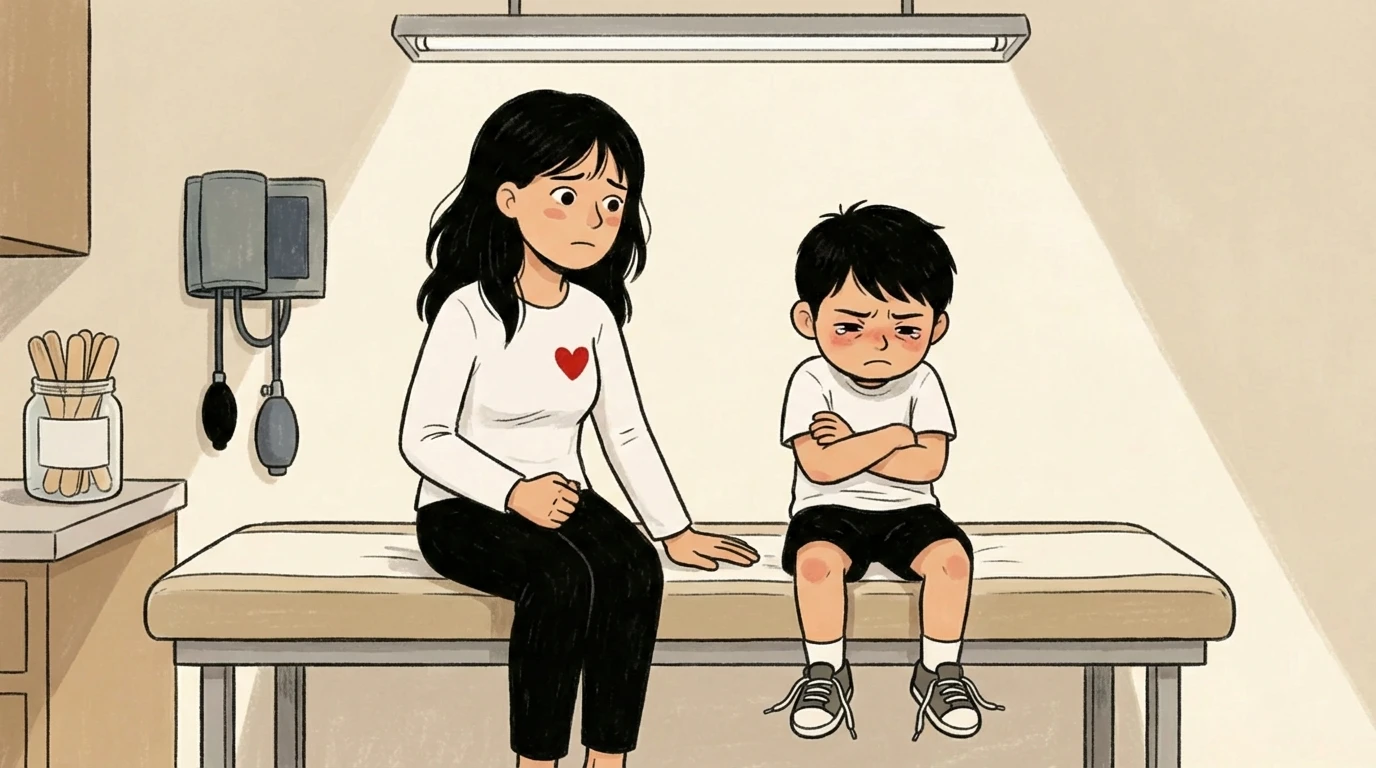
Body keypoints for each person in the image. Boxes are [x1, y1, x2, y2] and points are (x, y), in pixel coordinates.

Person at [400, 89, 760, 768]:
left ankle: (608, 760)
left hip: (562, 497)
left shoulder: (592, 315)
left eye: (612, 202)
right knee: (563, 582)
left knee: (634, 572)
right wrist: (513, 492)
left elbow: (625, 433)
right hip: (464, 508)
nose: (594, 221)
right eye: (568, 196)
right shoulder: (468, 311)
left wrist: (673, 528)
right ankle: (536, 762)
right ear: (509, 198)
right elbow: (423, 437)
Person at [763, 202, 1002, 742]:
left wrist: (856, 443)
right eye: (850, 325)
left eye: (905, 327)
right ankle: (824, 671)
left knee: (951, 560)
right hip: (826, 512)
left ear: (936, 327)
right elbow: (820, 468)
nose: (879, 344)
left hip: (909, 511)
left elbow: (929, 463)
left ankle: (939, 671)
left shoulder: (923, 383)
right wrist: (895, 437)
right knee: (818, 564)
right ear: (808, 320)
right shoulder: (811, 379)